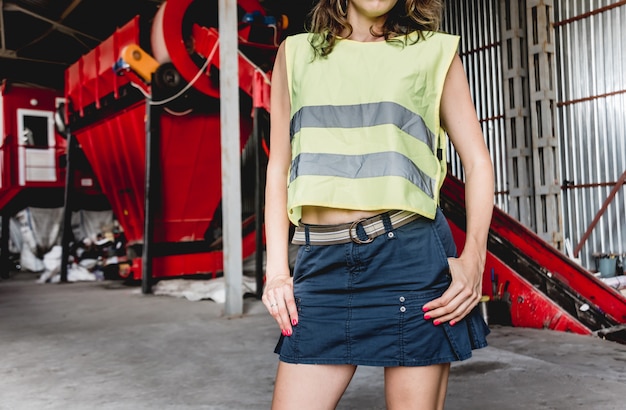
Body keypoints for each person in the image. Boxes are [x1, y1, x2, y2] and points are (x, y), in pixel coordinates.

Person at [262, 1, 495, 409]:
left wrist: (475, 255)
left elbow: (476, 162)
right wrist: (277, 269)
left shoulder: (432, 52)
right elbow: (279, 166)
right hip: (322, 264)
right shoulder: (295, 53)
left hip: (409, 260)